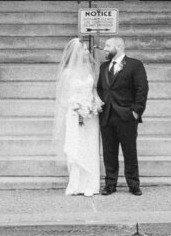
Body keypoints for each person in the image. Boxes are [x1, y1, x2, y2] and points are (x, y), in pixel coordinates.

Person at [97, 36, 148, 196]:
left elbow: (142, 89)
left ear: (118, 47)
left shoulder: (135, 65)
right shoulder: (104, 66)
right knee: (108, 152)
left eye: (107, 46)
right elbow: (100, 89)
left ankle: (133, 184)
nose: (104, 49)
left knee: (129, 151)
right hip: (107, 116)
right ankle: (110, 184)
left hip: (126, 116)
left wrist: (136, 111)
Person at [53, 38, 103, 196]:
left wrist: (95, 103)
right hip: (75, 115)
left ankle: (91, 184)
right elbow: (63, 97)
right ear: (76, 52)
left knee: (90, 147)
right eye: (85, 49)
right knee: (77, 147)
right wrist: (77, 107)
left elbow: (93, 90)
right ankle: (76, 184)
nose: (87, 52)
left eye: (87, 49)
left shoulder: (90, 70)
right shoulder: (67, 73)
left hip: (91, 116)